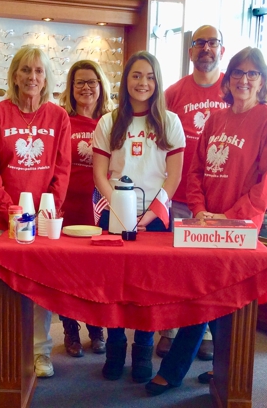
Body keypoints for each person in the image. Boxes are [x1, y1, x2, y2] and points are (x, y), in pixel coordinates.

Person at [146, 46, 267, 395]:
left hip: (239, 229)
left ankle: (206, 372)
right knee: (204, 296)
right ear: (229, 78)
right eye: (238, 73)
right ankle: (219, 371)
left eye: (252, 74)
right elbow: (195, 171)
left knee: (225, 300)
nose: (244, 79)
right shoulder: (217, 118)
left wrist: (229, 217)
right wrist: (199, 210)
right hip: (206, 223)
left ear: (262, 81)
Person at [0, 46, 71, 378]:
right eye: (26, 70)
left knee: (40, 287)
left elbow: (62, 170)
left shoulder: (58, 117)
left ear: (46, 78)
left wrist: (47, 210)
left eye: (39, 71)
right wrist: (11, 212)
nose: (32, 77)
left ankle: (41, 353)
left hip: (42, 221)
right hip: (3, 221)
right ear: (15, 75)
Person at [92, 50, 185, 383]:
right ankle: (116, 346)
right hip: (116, 211)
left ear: (157, 81)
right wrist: (118, 208)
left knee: (150, 287)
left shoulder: (170, 122)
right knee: (114, 284)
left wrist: (149, 214)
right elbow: (100, 174)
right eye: (136, 75)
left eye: (149, 76)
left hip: (155, 215)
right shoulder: (109, 122)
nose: (142, 82)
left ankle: (143, 350)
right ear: (125, 80)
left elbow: (173, 176)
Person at [156, 24, 228, 361]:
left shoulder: (232, 89)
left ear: (221, 50)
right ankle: (169, 329)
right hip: (181, 197)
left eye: (212, 43)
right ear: (190, 52)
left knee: (213, 270)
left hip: (220, 200)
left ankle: (209, 331)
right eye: (199, 43)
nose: (206, 49)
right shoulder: (174, 92)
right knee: (178, 269)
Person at [58, 60, 114, 358]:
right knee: (68, 275)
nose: (86, 88)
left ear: (101, 85)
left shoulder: (111, 122)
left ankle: (97, 328)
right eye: (79, 82)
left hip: (100, 210)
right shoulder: (61, 120)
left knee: (96, 275)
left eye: (92, 81)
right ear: (71, 87)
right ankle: (70, 329)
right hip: (68, 209)